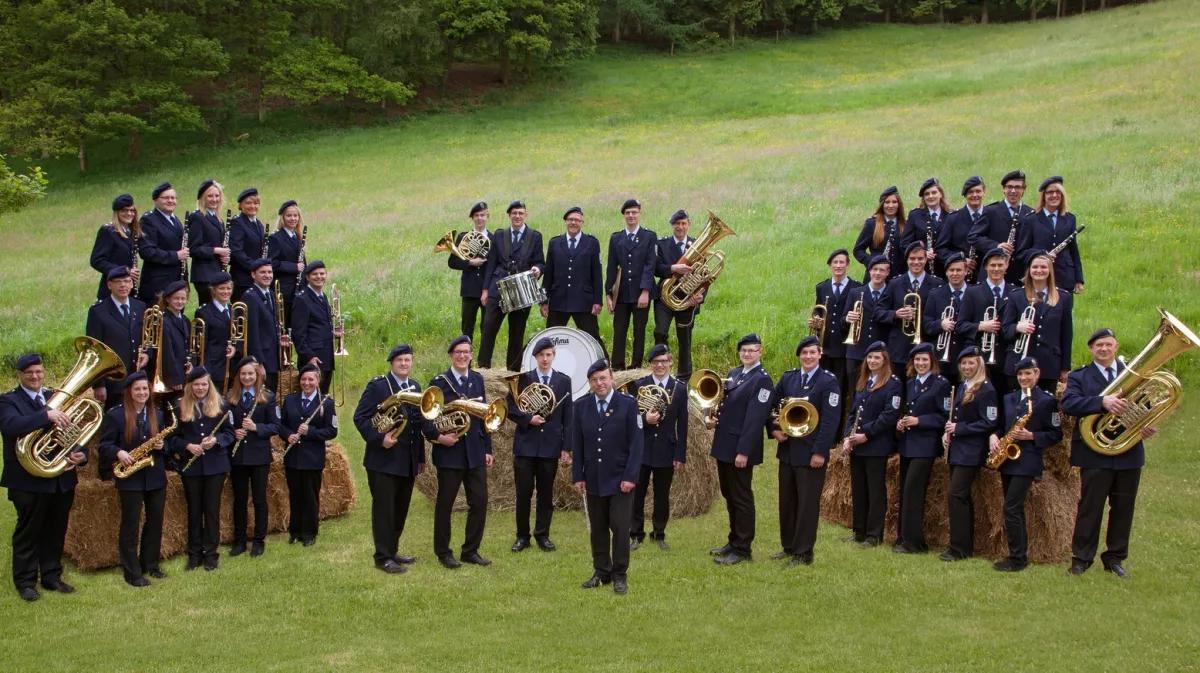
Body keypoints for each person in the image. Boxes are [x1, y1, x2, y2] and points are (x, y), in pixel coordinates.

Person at [1061, 328, 1154, 578]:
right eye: (1098, 345)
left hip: (1128, 452)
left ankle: (1114, 558)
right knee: (1090, 507)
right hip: (1094, 452)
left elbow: (1145, 405)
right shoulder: (1081, 376)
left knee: (1124, 508)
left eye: (1108, 345)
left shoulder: (1131, 374)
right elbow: (1068, 404)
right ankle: (1081, 559)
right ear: (1091, 349)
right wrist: (1101, 402)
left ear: (1116, 346)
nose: (1104, 349)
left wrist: (1145, 424)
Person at [0, 354, 87, 601]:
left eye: (39, 372)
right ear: (20, 375)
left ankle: (51, 576)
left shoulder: (54, 396)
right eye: (30, 373)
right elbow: (10, 425)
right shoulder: (8, 400)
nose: (36, 377)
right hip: (27, 481)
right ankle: (26, 582)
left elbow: (76, 432)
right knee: (29, 532)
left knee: (56, 529)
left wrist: (81, 454)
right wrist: (46, 416)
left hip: (60, 478)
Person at [353, 345, 427, 574]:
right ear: (392, 363)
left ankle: (392, 550)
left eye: (408, 360)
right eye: (400, 361)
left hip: (407, 459)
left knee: (401, 508)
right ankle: (382, 557)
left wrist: (421, 457)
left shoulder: (415, 386)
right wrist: (379, 438)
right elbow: (360, 417)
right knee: (384, 509)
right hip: (383, 460)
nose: (404, 364)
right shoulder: (378, 386)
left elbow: (417, 425)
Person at [768, 336, 840, 566]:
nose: (808, 357)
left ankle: (803, 552)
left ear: (820, 354)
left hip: (811, 454)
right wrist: (774, 430)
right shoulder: (789, 378)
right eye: (804, 353)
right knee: (787, 501)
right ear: (799, 356)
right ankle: (788, 546)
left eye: (812, 352)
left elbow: (830, 421)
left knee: (807, 504)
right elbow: (772, 405)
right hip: (788, 450)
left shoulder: (828, 381)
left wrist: (820, 452)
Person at [573, 359, 643, 595]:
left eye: (603, 378)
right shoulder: (581, 407)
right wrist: (578, 475)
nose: (599, 383)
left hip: (620, 479)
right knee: (598, 528)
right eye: (594, 380)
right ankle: (601, 571)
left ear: (612, 378)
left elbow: (636, 444)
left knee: (621, 528)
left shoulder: (628, 404)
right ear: (590, 383)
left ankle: (619, 574)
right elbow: (578, 444)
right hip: (594, 478)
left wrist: (630, 476)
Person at [706, 333, 774, 565]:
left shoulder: (762, 380)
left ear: (760, 352)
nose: (747, 354)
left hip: (740, 449)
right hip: (725, 445)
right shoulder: (734, 374)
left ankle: (743, 548)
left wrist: (743, 451)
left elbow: (755, 420)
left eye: (752, 350)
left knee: (741, 497)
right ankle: (733, 541)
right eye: (743, 350)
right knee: (729, 495)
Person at [427, 336, 494, 568]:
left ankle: (470, 550)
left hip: (474, 451)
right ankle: (443, 552)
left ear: (471, 354)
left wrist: (488, 448)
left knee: (480, 501)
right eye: (458, 352)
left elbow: (484, 417)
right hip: (450, 453)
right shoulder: (439, 383)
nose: (463, 356)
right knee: (445, 504)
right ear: (451, 356)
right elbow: (427, 419)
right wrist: (439, 437)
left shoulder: (477, 379)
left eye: (466, 352)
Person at [990, 357, 1062, 572]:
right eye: (1020, 374)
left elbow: (1056, 434)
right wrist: (994, 437)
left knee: (1012, 507)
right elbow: (1000, 426)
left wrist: (1032, 436)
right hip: (1007, 459)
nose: (1024, 378)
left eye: (1028, 373)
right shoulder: (1009, 398)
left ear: (1037, 374)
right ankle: (1016, 554)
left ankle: (1018, 558)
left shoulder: (1047, 401)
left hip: (1028, 460)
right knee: (1013, 508)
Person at [99, 371, 168, 587]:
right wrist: (118, 453)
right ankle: (132, 572)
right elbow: (104, 445)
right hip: (131, 477)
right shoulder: (116, 415)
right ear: (129, 392)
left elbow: (168, 445)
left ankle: (151, 564)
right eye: (137, 389)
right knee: (130, 524)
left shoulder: (158, 413)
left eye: (145, 389)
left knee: (155, 521)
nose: (141, 392)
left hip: (155, 475)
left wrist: (162, 446)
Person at [507, 337, 573, 553]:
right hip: (525, 446)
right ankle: (521, 536)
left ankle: (542, 535)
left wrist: (566, 447)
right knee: (523, 493)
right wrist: (528, 419)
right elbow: (511, 408)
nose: (545, 359)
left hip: (550, 447)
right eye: (541, 355)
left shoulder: (564, 381)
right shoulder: (523, 379)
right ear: (535, 357)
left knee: (545, 494)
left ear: (553, 356)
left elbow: (568, 417)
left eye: (549, 355)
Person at [939, 346, 1000, 561]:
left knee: (956, 495)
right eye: (963, 363)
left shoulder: (986, 389)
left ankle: (959, 548)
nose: (966, 366)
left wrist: (960, 429)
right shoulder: (963, 386)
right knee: (961, 497)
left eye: (971, 363)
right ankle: (964, 546)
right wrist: (949, 433)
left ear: (979, 364)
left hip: (971, 452)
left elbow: (989, 422)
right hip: (958, 450)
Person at [168, 367, 232, 571]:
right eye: (196, 384)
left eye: (204, 384)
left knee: (211, 511)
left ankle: (211, 553)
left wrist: (216, 440)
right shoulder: (178, 407)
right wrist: (187, 446)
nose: (201, 388)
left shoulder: (222, 404)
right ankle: (194, 554)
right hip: (192, 467)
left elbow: (230, 433)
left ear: (209, 384)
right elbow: (171, 438)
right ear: (190, 386)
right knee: (194, 511)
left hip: (215, 466)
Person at [841, 341, 902, 547]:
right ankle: (859, 530)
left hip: (876, 444)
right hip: (857, 444)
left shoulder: (893, 383)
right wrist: (848, 436)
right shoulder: (864, 381)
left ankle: (874, 535)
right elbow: (853, 411)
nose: (873, 361)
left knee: (875, 490)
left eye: (877, 357)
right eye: (870, 357)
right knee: (859, 488)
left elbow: (889, 416)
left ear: (885, 360)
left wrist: (866, 434)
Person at [893, 343, 951, 554]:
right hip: (907, 444)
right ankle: (903, 537)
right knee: (905, 491)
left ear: (932, 361)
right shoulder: (909, 383)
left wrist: (919, 421)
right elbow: (904, 411)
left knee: (913, 492)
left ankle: (914, 543)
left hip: (925, 446)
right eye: (917, 360)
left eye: (925, 360)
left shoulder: (941, 384)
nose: (920, 363)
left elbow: (943, 417)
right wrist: (901, 423)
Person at [629, 344, 687, 551]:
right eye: (656, 362)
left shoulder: (679, 388)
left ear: (670, 362)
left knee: (662, 495)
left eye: (664, 361)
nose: (660, 365)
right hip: (642, 449)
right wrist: (645, 420)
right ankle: (635, 534)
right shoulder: (639, 385)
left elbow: (684, 423)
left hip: (666, 449)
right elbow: (629, 419)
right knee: (637, 493)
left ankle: (659, 533)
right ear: (650, 364)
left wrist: (680, 454)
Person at [478, 201, 545, 371]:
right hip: (498, 289)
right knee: (488, 330)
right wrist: (485, 289)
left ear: (525, 215)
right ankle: (483, 369)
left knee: (517, 333)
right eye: (514, 213)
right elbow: (491, 263)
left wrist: (537, 269)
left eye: (520, 213)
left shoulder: (535, 236)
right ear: (509, 215)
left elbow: (540, 262)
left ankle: (513, 372)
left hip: (522, 290)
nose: (517, 216)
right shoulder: (500, 235)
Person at [279, 363, 337, 546]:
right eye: (304, 379)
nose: (307, 382)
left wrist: (310, 432)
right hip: (293, 457)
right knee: (295, 494)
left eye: (311, 379)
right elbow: (281, 425)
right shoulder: (290, 400)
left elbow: (332, 431)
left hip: (312, 458)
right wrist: (288, 435)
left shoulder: (326, 403)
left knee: (310, 496)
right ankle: (295, 531)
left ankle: (310, 532)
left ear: (317, 380)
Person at [227, 356, 278, 558]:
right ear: (238, 376)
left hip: (259, 456)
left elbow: (275, 425)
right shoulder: (230, 398)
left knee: (259, 499)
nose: (247, 377)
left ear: (257, 376)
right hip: (238, 456)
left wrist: (256, 427)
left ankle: (258, 540)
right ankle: (239, 541)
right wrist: (234, 433)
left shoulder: (267, 397)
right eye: (244, 374)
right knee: (239, 499)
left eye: (251, 374)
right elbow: (225, 426)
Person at [1002, 251, 1073, 393]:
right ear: (1029, 270)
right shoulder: (1016, 296)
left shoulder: (1064, 297)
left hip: (1049, 364)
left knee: (1045, 408)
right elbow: (1005, 330)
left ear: (1050, 271)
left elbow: (1066, 334)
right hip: (1019, 363)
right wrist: (1017, 327)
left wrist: (1065, 368)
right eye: (1035, 267)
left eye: (1043, 267)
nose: (1039, 270)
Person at [875, 241, 944, 382]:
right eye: (912, 259)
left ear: (926, 259)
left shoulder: (937, 284)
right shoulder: (895, 283)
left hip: (926, 347)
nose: (916, 262)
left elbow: (940, 316)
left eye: (920, 259)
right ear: (907, 260)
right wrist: (895, 314)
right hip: (899, 349)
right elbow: (878, 312)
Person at [957, 248, 1017, 401]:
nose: (996, 269)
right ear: (985, 267)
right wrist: (980, 326)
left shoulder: (1015, 292)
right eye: (992, 265)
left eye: (999, 265)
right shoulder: (972, 292)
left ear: (1006, 266)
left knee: (1004, 397)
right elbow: (960, 325)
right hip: (979, 356)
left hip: (1005, 355)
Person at [85, 266, 149, 410]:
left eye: (127, 281)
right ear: (109, 285)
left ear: (132, 284)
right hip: (114, 382)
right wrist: (99, 385)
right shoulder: (98, 312)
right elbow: (94, 350)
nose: (123, 285)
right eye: (118, 282)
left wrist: (147, 354)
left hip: (138, 378)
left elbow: (147, 338)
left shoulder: (140, 306)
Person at [606, 198, 658, 371]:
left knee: (639, 331)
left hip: (640, 292)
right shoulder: (616, 238)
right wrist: (608, 293)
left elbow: (650, 265)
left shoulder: (649, 236)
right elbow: (611, 266)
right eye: (627, 213)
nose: (631, 216)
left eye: (634, 212)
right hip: (621, 293)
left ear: (639, 214)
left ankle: (636, 367)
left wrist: (645, 291)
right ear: (624, 215)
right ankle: (618, 367)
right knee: (619, 330)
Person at [540, 206, 604, 345]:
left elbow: (597, 274)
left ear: (582, 222)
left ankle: (604, 365)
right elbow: (549, 274)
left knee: (593, 338)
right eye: (570, 220)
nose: (573, 223)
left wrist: (597, 300)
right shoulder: (555, 243)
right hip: (558, 300)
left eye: (577, 220)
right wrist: (544, 300)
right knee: (551, 339)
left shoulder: (592, 243)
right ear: (565, 221)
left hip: (583, 301)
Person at [810, 248, 862, 412]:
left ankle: (838, 432)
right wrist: (815, 322)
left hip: (844, 346)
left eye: (842, 262)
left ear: (847, 265)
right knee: (821, 388)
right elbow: (819, 312)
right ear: (830, 265)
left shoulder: (857, 288)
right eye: (835, 262)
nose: (838, 265)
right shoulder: (822, 287)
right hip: (825, 346)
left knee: (839, 391)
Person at [653, 210, 701, 379]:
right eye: (677, 224)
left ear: (689, 225)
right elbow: (655, 268)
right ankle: (660, 370)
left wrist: (700, 295)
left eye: (684, 223)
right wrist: (673, 268)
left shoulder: (697, 244)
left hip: (687, 299)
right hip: (665, 299)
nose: (680, 227)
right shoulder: (661, 244)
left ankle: (684, 377)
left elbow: (705, 274)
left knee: (685, 338)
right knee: (660, 332)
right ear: (672, 225)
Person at [1017, 176, 1085, 294]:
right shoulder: (1031, 220)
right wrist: (1041, 254)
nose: (1054, 195)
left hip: (1064, 277)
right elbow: (1021, 253)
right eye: (1050, 192)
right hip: (1039, 278)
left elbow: (1074, 251)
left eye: (1058, 192)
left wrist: (1079, 279)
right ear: (1043, 196)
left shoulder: (1070, 218)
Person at [971, 170, 1033, 285]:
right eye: (1009, 187)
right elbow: (973, 237)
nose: (1013, 191)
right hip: (993, 273)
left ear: (1023, 189)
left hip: (1019, 275)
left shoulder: (1030, 213)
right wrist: (996, 246)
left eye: (1017, 187)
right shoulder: (991, 211)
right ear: (1003, 189)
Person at [291, 260, 340, 394]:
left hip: (326, 355)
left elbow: (318, 325)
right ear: (307, 277)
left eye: (322, 274)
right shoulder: (302, 299)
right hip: (313, 359)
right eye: (315, 274)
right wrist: (309, 357)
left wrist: (333, 333)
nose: (319, 277)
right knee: (310, 397)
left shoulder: (322, 296)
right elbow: (297, 334)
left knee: (323, 395)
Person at [136, 182, 189, 304]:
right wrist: (176, 256)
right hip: (158, 284)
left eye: (173, 198)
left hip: (177, 281)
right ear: (155, 200)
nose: (171, 201)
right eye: (166, 198)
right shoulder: (148, 220)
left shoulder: (175, 220)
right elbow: (147, 251)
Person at [446, 202, 492, 340]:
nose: (479, 218)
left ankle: (484, 360)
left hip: (487, 289)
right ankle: (466, 359)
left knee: (487, 326)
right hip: (469, 289)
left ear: (487, 217)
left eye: (482, 215)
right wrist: (470, 262)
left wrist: (488, 289)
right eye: (476, 215)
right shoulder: (463, 237)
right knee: (467, 327)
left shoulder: (494, 238)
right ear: (472, 218)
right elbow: (452, 262)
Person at [922, 252, 970, 383]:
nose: (955, 273)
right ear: (946, 272)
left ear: (966, 271)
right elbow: (926, 325)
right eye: (951, 270)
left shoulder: (974, 293)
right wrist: (940, 324)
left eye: (959, 270)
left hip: (965, 356)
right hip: (940, 357)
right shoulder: (935, 294)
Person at [844, 255, 892, 384]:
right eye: (875, 269)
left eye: (882, 270)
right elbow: (842, 321)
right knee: (854, 390)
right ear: (869, 271)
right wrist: (847, 318)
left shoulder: (891, 292)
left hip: (881, 352)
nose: (877, 273)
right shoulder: (855, 292)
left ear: (887, 272)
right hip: (856, 351)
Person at [186, 179, 232, 305]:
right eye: (210, 196)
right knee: (209, 312)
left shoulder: (218, 218)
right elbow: (193, 249)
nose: (214, 199)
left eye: (217, 196)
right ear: (202, 198)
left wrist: (225, 256)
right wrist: (216, 250)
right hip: (204, 275)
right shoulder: (197, 217)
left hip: (216, 271)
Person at [242, 259, 285, 392]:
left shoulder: (271, 294)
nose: (267, 275)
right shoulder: (251, 296)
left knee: (271, 394)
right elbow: (252, 332)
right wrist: (258, 362)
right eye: (263, 272)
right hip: (263, 359)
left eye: (270, 272)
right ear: (253, 275)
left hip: (273, 356)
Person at [192, 272, 239, 395]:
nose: (226, 292)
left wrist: (235, 348)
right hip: (215, 367)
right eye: (221, 288)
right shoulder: (204, 312)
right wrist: (205, 370)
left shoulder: (234, 309)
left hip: (233, 366)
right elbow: (202, 346)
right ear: (213, 291)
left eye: (228, 288)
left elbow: (239, 337)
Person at [89, 193, 141, 300]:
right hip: (111, 289)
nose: (129, 213)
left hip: (128, 289)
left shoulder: (131, 232)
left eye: (132, 210)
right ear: (117, 213)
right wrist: (125, 271)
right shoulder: (108, 231)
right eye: (124, 210)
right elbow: (96, 260)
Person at [852, 186, 910, 281]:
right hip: (876, 275)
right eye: (887, 202)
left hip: (899, 276)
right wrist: (872, 261)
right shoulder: (872, 224)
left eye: (894, 202)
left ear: (899, 204)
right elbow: (858, 250)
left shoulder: (907, 224)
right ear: (882, 205)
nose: (890, 206)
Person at [937, 176, 985, 283]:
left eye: (978, 191)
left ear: (984, 192)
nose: (975, 195)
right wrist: (960, 259)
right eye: (970, 192)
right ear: (965, 195)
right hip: (959, 279)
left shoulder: (991, 215)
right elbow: (941, 249)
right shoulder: (953, 218)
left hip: (985, 277)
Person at [268, 199, 306, 325]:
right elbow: (272, 263)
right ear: (283, 217)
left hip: (298, 289)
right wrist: (294, 267)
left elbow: (303, 265)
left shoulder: (298, 237)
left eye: (295, 215)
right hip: (283, 290)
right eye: (289, 215)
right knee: (284, 325)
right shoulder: (275, 238)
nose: (293, 218)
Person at [228, 187, 268, 298]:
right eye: (248, 203)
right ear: (241, 205)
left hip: (256, 278)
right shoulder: (237, 223)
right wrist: (256, 267)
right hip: (242, 279)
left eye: (256, 203)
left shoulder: (259, 224)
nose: (253, 206)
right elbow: (236, 252)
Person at [155, 280, 192, 399]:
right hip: (173, 376)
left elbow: (189, 346)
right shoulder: (164, 321)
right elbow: (167, 352)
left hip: (185, 371)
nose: (180, 302)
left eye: (183, 298)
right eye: (176, 299)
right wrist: (174, 378)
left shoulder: (185, 320)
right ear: (168, 299)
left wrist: (192, 363)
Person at [908, 178, 952, 278]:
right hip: (923, 270)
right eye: (927, 194)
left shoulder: (951, 215)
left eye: (934, 192)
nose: (930, 196)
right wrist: (922, 253)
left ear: (940, 194)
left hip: (947, 269)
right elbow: (905, 243)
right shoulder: (915, 215)